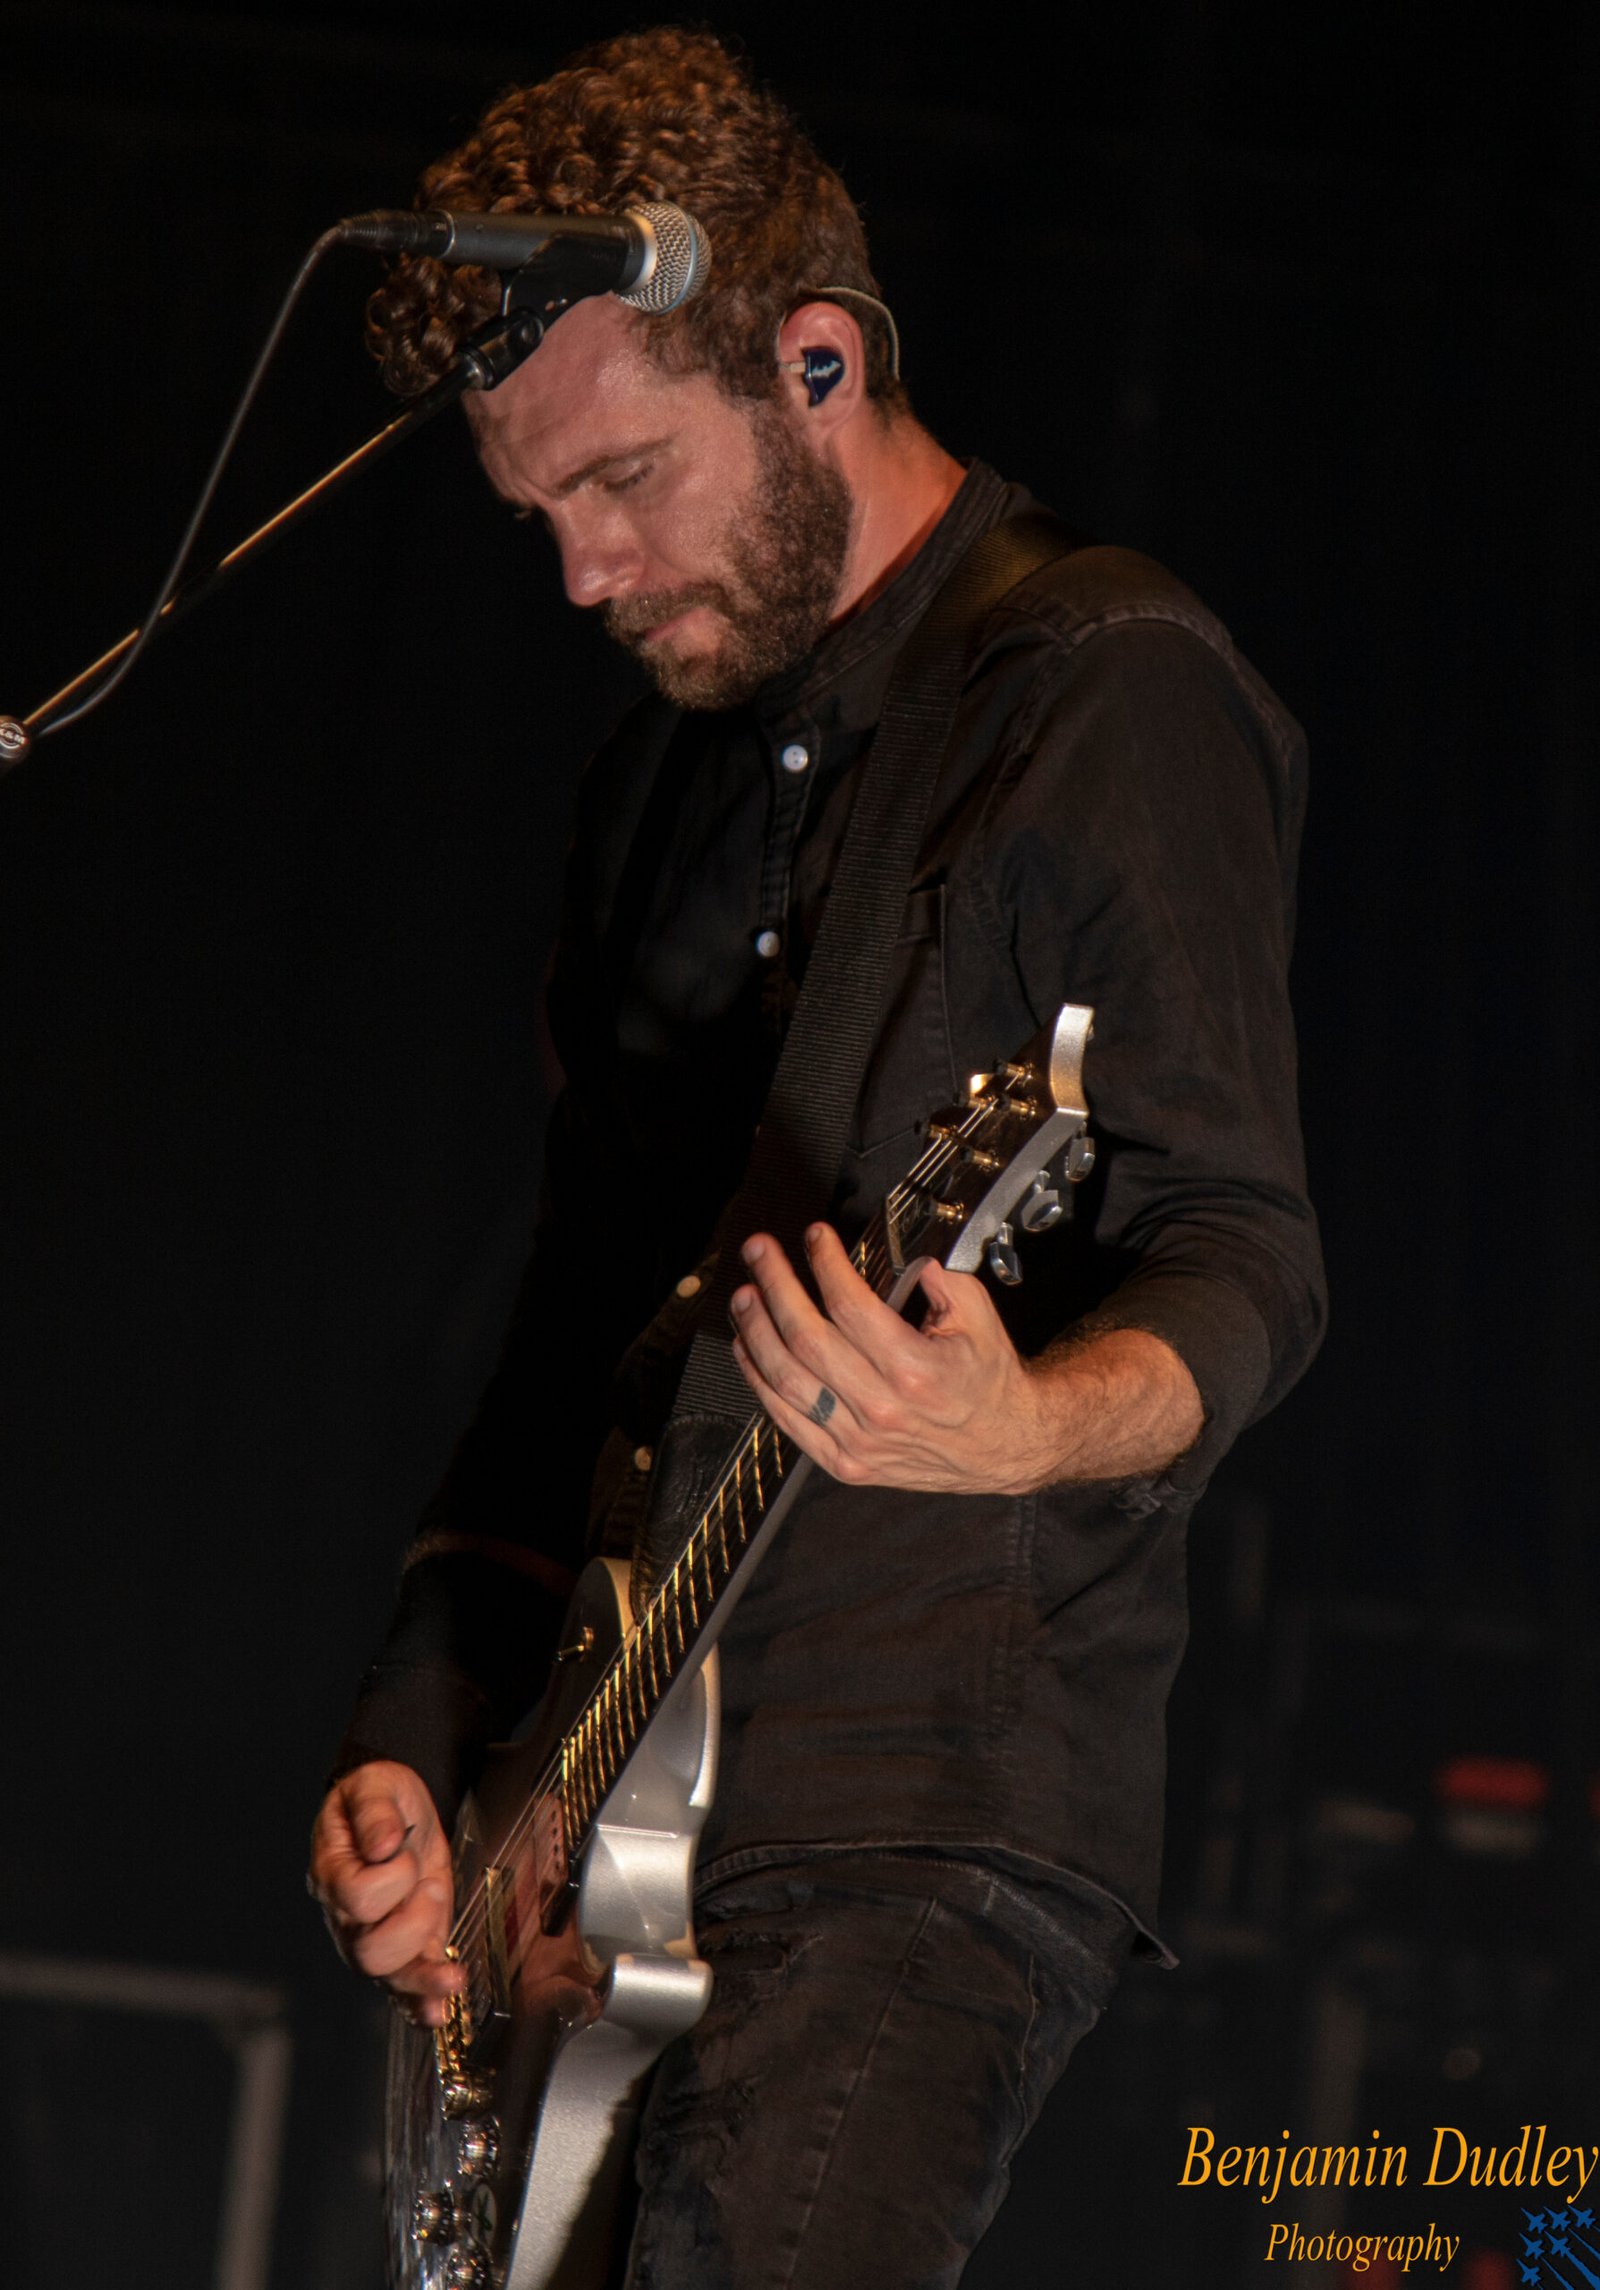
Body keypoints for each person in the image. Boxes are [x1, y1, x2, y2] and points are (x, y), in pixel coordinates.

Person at [307, 27, 1325, 2287]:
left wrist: (1021, 1417)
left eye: (623, 480)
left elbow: (1240, 1244)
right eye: (539, 515)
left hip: (908, 1800)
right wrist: (423, 1746)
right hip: (595, 1831)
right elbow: (566, 1331)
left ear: (818, 360)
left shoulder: (1102, 690)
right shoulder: (647, 796)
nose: (581, 571)